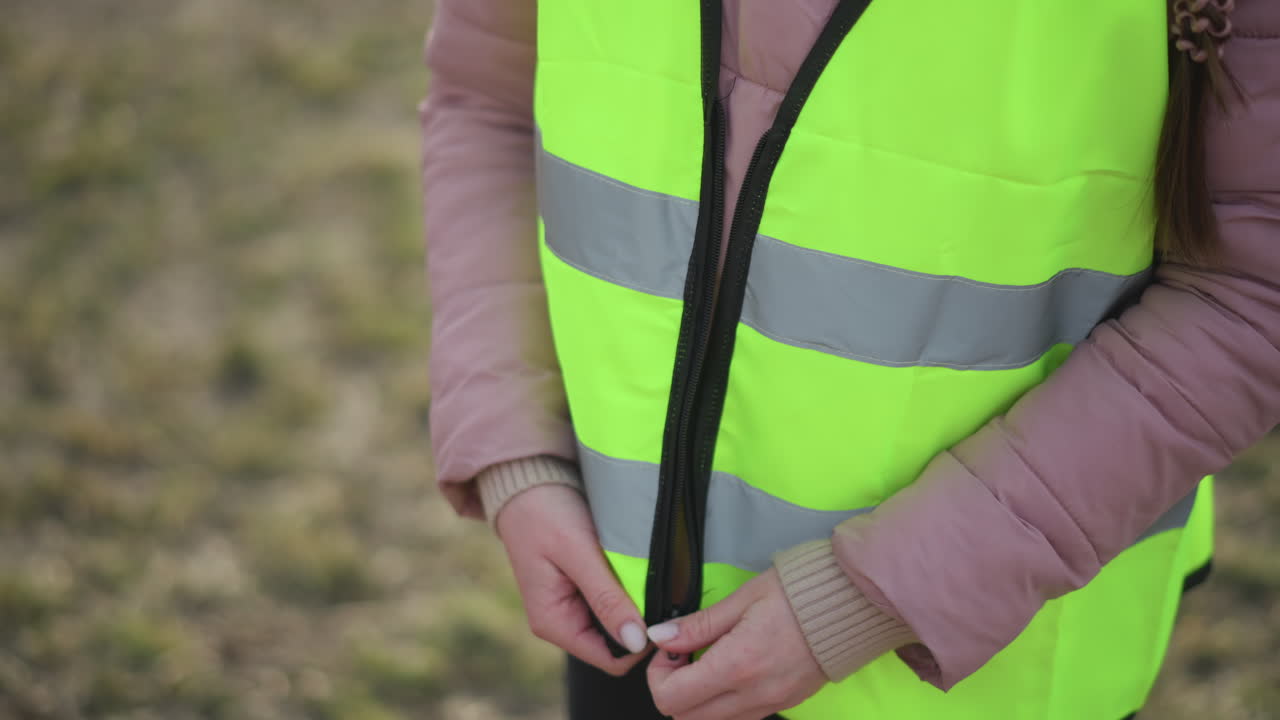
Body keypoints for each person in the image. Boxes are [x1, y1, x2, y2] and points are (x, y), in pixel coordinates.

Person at [419, 1, 1279, 718]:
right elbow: (486, 96)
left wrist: (874, 594)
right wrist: (513, 448)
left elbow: (1251, 295)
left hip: (975, 663)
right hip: (622, 615)